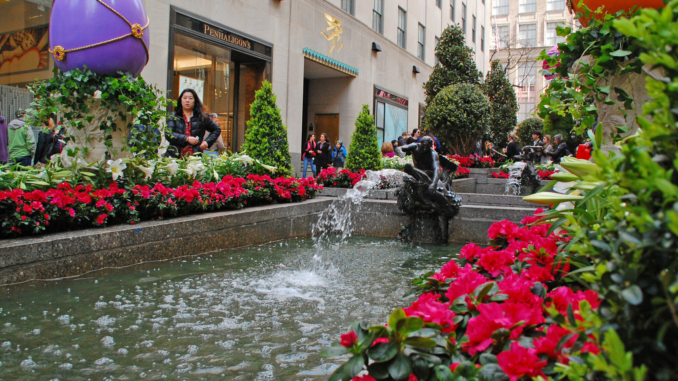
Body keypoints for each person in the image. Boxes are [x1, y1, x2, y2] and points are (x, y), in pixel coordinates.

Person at [166, 89, 221, 158]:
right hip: (174, 156)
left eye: (190, 98)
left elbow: (216, 129)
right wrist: (187, 138)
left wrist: (207, 142)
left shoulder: (201, 117)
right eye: (185, 98)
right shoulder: (174, 116)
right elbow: (168, 134)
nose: (187, 100)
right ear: (181, 101)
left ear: (195, 101)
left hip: (195, 158)